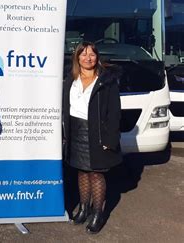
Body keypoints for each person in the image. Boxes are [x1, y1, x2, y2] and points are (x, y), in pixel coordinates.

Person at [63, 41, 122, 234]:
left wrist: (110, 139)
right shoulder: (70, 79)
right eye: (83, 54)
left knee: (96, 173)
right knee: (81, 171)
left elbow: (114, 113)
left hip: (97, 133)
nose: (88, 58)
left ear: (97, 58)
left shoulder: (107, 81)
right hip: (76, 130)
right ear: (77, 57)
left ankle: (98, 214)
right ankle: (84, 208)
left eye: (92, 54)